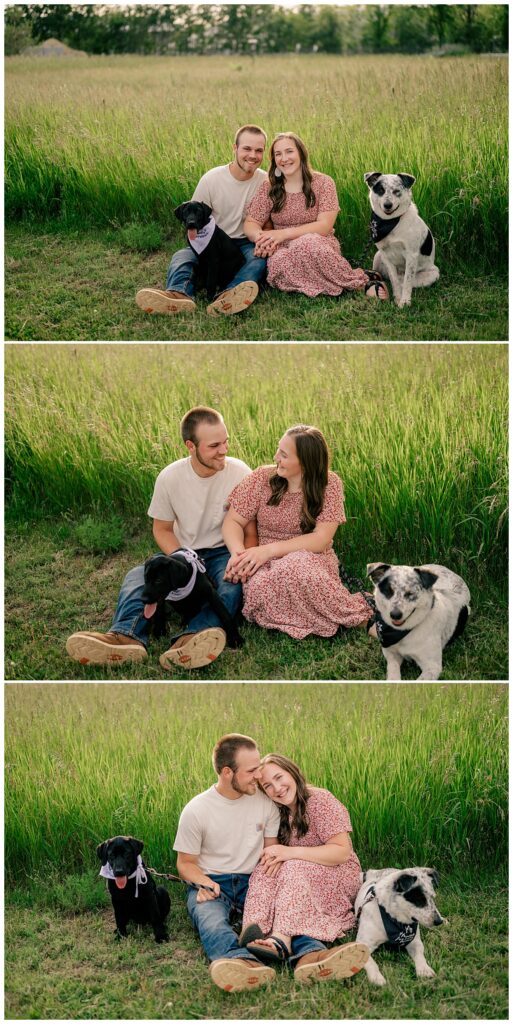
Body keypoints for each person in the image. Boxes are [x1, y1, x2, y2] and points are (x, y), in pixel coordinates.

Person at [173, 734, 367, 992]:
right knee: (211, 921)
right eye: (253, 771)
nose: (260, 778)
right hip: (213, 882)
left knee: (288, 899)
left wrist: (283, 864)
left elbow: (275, 852)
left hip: (260, 877)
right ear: (228, 772)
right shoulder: (196, 810)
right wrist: (203, 882)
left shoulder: (266, 801)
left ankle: (310, 954)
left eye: (266, 774)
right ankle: (242, 962)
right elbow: (185, 863)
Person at [66, 406, 255, 671]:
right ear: (191, 445)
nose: (223, 450)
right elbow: (162, 529)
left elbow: (248, 527)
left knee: (231, 585)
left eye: (226, 442)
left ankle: (193, 637)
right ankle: (125, 636)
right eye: (214, 445)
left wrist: (244, 557)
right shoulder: (169, 477)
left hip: (224, 550)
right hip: (182, 551)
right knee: (136, 576)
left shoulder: (240, 472)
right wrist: (182, 561)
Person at [222, 424, 372, 639]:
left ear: (305, 461)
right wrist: (240, 556)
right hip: (263, 562)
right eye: (278, 450)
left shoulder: (329, 485)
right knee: (261, 588)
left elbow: (320, 539)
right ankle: (330, 613)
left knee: (298, 567)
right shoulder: (261, 479)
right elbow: (232, 522)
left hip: (311, 557)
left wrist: (268, 550)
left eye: (284, 455)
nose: (276, 458)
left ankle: (361, 619)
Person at [239, 754, 369, 983]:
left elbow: (341, 852)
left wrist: (290, 853)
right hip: (301, 873)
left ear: (292, 772)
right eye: (268, 785)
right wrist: (278, 855)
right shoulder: (278, 811)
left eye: (279, 777)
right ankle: (255, 929)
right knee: (266, 866)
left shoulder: (320, 800)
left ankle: (281, 938)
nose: (277, 788)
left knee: (292, 867)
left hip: (339, 874)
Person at [136, 125, 269, 317]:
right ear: (235, 149)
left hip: (245, 242)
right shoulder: (212, 179)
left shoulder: (265, 181)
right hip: (211, 241)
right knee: (181, 257)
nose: (253, 155)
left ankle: (228, 295)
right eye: (247, 149)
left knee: (258, 260)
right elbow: (195, 216)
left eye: (259, 150)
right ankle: (179, 294)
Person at [243, 131, 389, 301]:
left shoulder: (324, 183)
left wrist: (282, 234)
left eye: (289, 151)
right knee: (279, 263)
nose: (284, 158)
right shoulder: (269, 187)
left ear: (301, 153)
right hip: (281, 246)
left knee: (307, 244)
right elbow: (251, 223)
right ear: (274, 160)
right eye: (278, 154)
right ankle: (347, 277)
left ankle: (360, 283)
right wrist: (262, 239)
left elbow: (324, 225)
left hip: (317, 241)